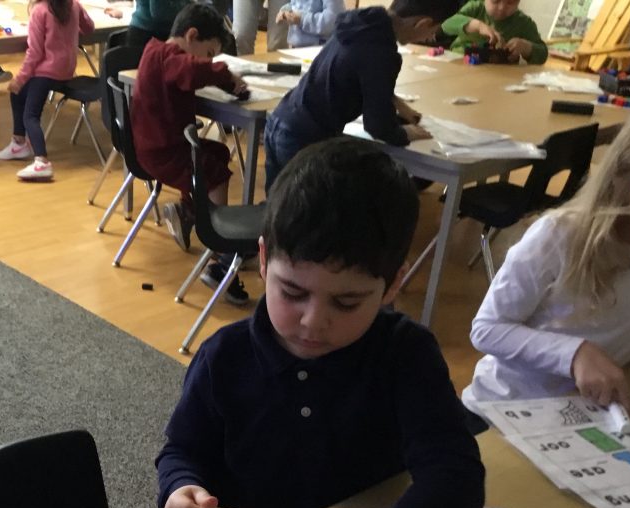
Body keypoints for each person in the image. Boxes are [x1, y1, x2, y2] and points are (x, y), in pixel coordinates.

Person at [156, 137, 485, 508]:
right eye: (292, 292)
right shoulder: (224, 358)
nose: (314, 321)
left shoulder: (406, 355)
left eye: (347, 302)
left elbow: (457, 477)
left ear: (393, 284)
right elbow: (182, 450)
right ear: (264, 259)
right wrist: (179, 491)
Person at [463, 112, 630, 419]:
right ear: (624, 174)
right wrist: (574, 354)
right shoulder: (560, 235)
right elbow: (487, 329)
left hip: (590, 415)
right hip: (505, 409)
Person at [263, 0, 460, 194]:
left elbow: (360, 75)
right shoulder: (382, 51)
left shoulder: (362, 25)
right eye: (434, 31)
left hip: (280, 120)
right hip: (304, 137)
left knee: (275, 206)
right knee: (305, 209)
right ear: (422, 23)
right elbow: (378, 126)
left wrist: (399, 105)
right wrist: (406, 133)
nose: (431, 38)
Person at [130, 3, 251, 304]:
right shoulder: (170, 58)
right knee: (216, 174)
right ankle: (220, 256)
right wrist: (225, 73)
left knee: (218, 152)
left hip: (156, 147)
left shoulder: (154, 50)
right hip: (164, 153)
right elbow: (191, 69)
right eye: (209, 52)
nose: (208, 60)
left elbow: (189, 71)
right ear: (191, 35)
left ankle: (187, 211)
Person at [0, 0, 95, 181]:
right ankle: (18, 143)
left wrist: (20, 79)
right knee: (17, 94)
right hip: (66, 70)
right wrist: (68, 34)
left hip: (46, 72)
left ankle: (41, 161)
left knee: (30, 116)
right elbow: (89, 28)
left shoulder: (39, 11)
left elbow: (34, 53)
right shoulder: (73, 4)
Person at [441, 0, 547, 65]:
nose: (502, 8)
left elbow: (543, 53)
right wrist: (476, 25)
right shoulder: (476, 8)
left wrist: (527, 48)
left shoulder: (524, 23)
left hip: (500, 72)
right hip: (461, 61)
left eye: (510, 2)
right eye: (495, 1)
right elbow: (446, 25)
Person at [275, 0, 345, 48]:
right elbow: (297, 5)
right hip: (295, 49)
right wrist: (285, 10)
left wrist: (301, 19)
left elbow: (332, 21)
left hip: (319, 50)